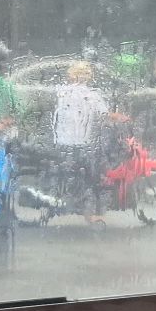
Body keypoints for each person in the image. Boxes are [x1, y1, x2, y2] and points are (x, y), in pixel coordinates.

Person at [51, 60, 108, 223]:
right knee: (93, 174)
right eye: (87, 73)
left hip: (61, 142)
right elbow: (104, 115)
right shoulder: (92, 95)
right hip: (82, 144)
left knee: (72, 171)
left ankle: (70, 198)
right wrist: (121, 118)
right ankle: (90, 212)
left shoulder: (61, 91)